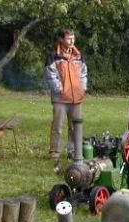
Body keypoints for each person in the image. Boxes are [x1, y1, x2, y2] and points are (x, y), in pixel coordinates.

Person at [45, 28, 87, 171]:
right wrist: (60, 89)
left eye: (73, 38)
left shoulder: (78, 56)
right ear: (61, 39)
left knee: (75, 127)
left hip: (76, 98)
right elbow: (50, 75)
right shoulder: (53, 56)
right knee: (58, 126)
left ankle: (73, 151)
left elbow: (84, 74)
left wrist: (83, 88)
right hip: (60, 99)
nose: (72, 41)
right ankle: (54, 153)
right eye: (69, 38)